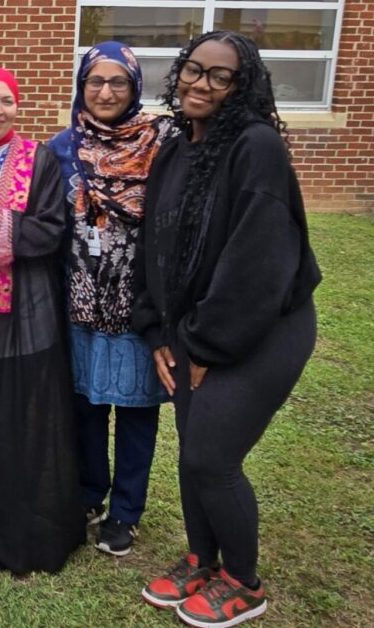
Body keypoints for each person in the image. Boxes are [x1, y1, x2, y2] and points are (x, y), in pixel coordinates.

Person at [133, 31, 321, 627]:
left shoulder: (256, 146)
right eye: (193, 70)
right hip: (193, 328)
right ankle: (203, 560)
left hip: (263, 329)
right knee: (193, 454)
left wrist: (209, 345)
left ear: (243, 88)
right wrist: (160, 332)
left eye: (220, 76)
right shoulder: (176, 148)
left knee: (212, 456)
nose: (201, 84)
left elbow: (258, 260)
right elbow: (154, 246)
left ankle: (243, 581)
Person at [0, 67, 84, 573]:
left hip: (23, 306)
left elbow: (51, 230)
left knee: (15, 408)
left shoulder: (39, 159)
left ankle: (17, 509)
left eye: (7, 100)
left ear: (18, 107)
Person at [46, 41, 177, 557]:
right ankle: (88, 493)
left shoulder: (163, 144)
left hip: (141, 305)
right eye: (94, 82)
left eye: (117, 81)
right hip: (78, 300)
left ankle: (126, 511)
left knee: (138, 411)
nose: (104, 91)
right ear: (81, 87)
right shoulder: (61, 148)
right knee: (87, 405)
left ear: (135, 87)